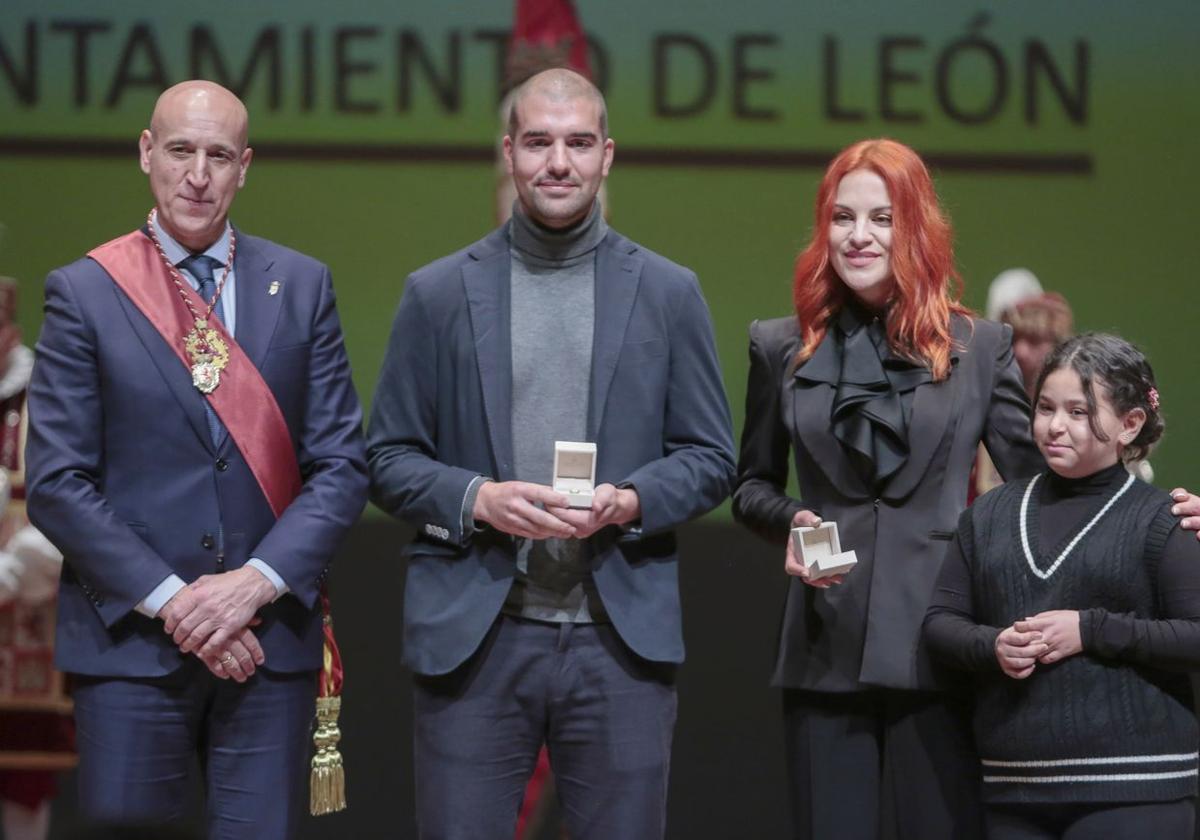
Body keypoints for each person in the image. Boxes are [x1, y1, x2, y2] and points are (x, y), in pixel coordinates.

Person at [731, 138, 1200, 839]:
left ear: (916, 226)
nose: (859, 236)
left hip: (943, 645)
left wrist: (1153, 512)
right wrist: (794, 518)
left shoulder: (978, 348)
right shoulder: (780, 346)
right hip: (825, 647)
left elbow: (1045, 480)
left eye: (883, 218)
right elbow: (751, 485)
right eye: (842, 216)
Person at [367, 68, 735, 839]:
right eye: (538, 142)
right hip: (478, 637)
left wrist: (632, 500)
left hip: (617, 641)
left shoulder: (669, 293)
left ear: (608, 155)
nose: (557, 162)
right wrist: (478, 499)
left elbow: (709, 455)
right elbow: (389, 455)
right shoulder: (435, 294)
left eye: (576, 143)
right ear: (509, 152)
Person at [24, 80, 367, 838]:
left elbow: (342, 466)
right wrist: (179, 601)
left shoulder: (301, 286)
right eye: (181, 150)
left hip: (267, 639)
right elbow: (56, 482)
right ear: (147, 153)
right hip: (134, 644)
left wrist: (252, 585)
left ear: (244, 167)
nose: (198, 174)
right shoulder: (85, 292)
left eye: (219, 156)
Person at [924, 333, 1200, 839]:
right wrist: (994, 646)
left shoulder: (1163, 518)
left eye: (1078, 412)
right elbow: (941, 624)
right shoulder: (990, 514)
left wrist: (1089, 630)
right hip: (1015, 788)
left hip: (1137, 791)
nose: (1054, 426)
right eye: (1046, 407)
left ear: (1130, 424)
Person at [0, 278, 73, 840]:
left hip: (24, 617)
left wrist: (19, 568)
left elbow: (71, 497)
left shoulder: (45, 396)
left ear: (11, 335)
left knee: (22, 789)